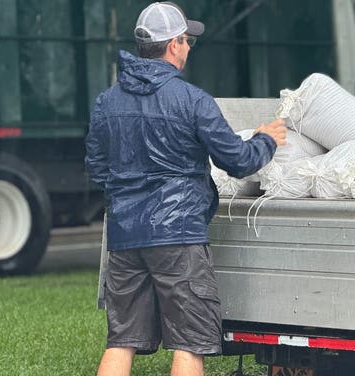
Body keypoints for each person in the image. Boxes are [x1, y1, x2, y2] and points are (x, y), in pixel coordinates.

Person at [85, 2, 286, 376]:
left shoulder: (105, 103)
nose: (190, 47)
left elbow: (97, 169)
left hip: (125, 237)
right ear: (173, 45)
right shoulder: (193, 101)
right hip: (179, 237)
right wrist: (266, 139)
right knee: (190, 343)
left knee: (121, 341)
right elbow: (238, 161)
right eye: (187, 40)